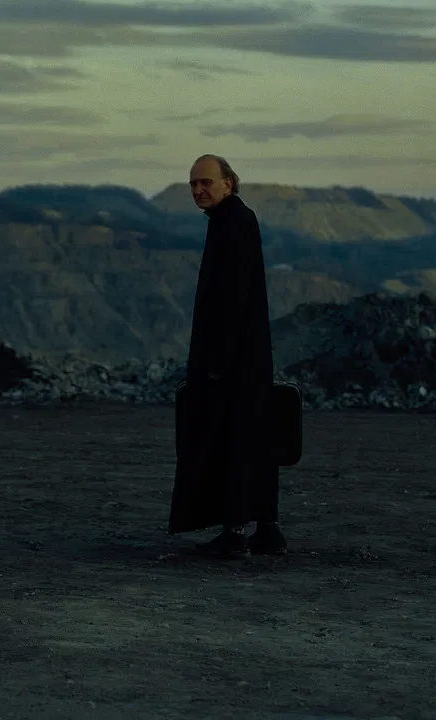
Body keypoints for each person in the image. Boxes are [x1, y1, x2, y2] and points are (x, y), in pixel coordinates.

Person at [168, 154, 286, 558]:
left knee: (229, 441)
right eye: (193, 184)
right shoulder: (232, 219)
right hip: (245, 357)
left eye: (206, 182)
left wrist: (218, 360)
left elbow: (232, 296)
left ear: (228, 183)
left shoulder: (232, 222)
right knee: (254, 439)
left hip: (231, 361)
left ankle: (235, 533)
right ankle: (267, 530)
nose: (198, 190)